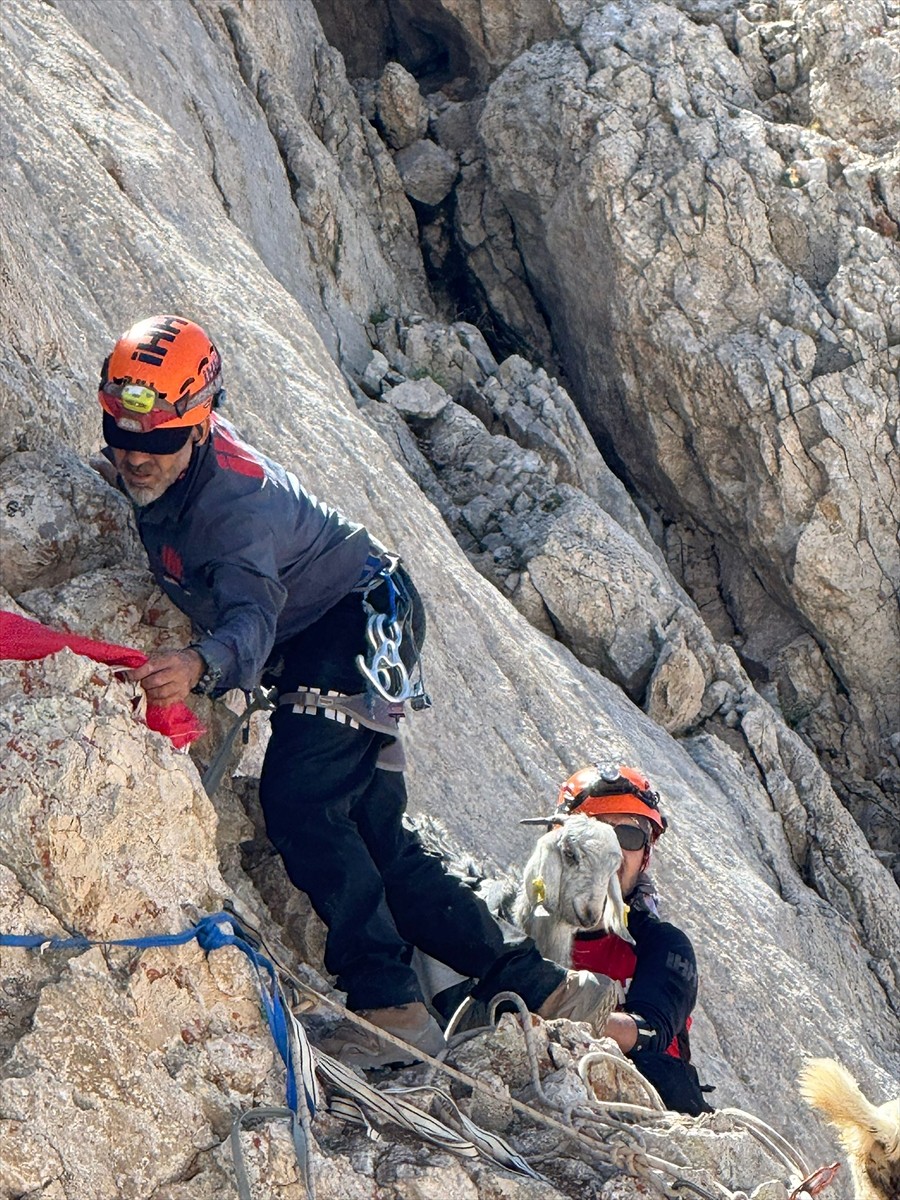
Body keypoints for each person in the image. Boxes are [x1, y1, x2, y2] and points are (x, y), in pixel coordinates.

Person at [97, 313, 614, 1068]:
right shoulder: (179, 460)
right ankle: (539, 986)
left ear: (201, 427)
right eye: (122, 436)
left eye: (159, 442)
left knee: (303, 803)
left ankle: (389, 1003)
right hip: (362, 613)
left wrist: (202, 664)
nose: (136, 456)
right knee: (374, 832)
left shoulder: (230, 513)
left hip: (355, 620)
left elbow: (251, 613)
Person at [558, 764, 714, 1115]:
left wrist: (552, 1003)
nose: (609, 851)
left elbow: (650, 1031)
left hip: (655, 1113)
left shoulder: (662, 946)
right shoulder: (523, 930)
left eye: (627, 837)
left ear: (644, 856)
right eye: (593, 831)